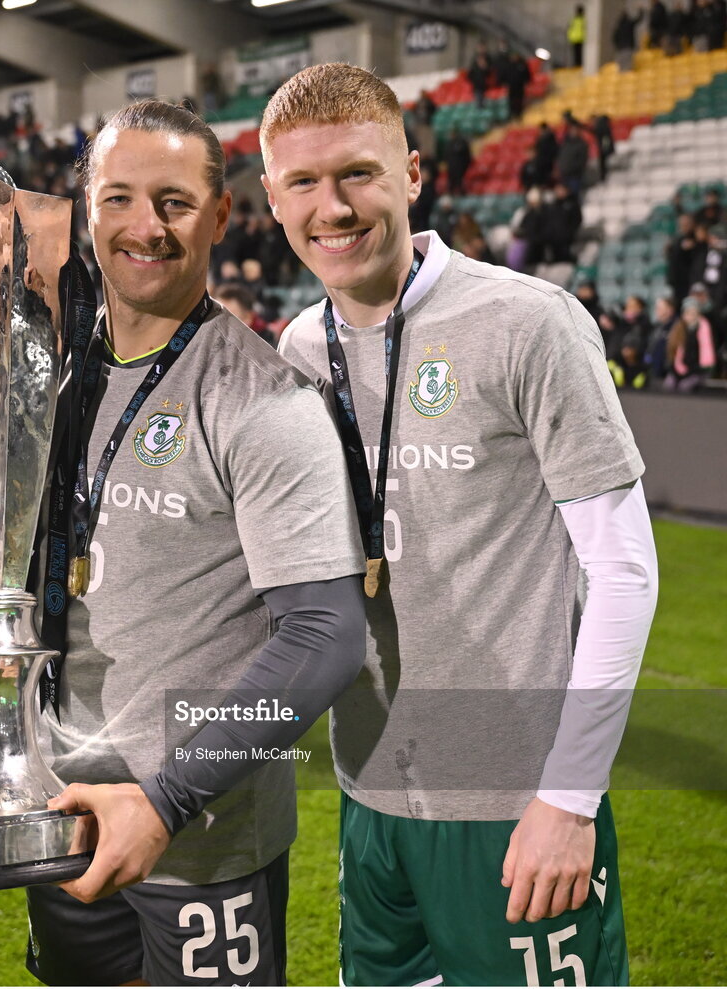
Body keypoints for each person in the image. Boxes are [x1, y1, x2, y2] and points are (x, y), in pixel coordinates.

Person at [0, 100, 366, 986]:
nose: (146, 227)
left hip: (194, 838)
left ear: (221, 216)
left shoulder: (264, 403)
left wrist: (165, 797)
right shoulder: (49, 379)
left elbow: (327, 635)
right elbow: (53, 566)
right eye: (119, 199)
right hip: (58, 810)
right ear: (85, 212)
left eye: (175, 202)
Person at [259, 63, 658, 986]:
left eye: (358, 173)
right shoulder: (298, 348)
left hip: (514, 798)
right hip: (372, 789)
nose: (335, 207)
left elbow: (625, 570)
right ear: (274, 199)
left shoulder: (528, 323)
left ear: (411, 171)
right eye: (304, 184)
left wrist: (568, 795)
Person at [664, 295, 716, 390]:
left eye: (694, 313)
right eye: (688, 313)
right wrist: (676, 370)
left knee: (685, 386)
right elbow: (672, 353)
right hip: (678, 369)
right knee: (669, 384)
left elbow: (705, 360)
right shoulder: (677, 329)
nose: (691, 316)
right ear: (684, 314)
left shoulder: (704, 330)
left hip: (697, 371)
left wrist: (689, 371)